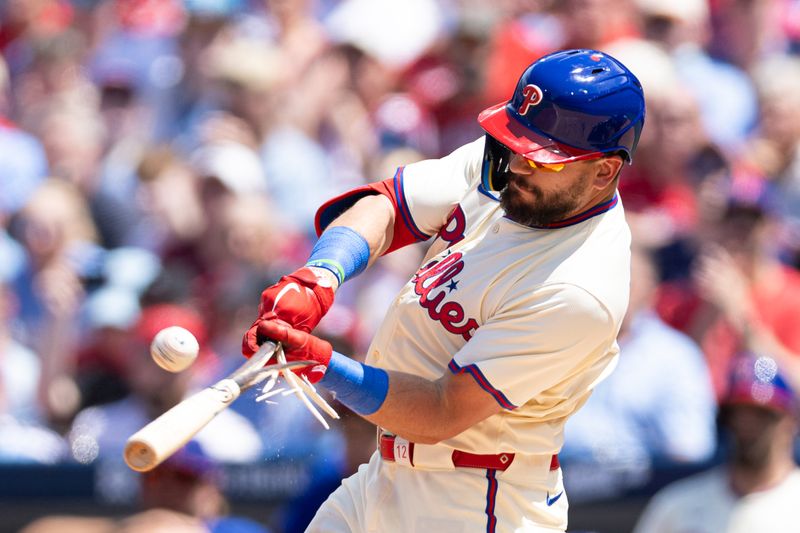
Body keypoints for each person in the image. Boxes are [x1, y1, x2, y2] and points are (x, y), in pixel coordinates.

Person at [242, 48, 645, 532]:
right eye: (515, 143)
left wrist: (324, 366)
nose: (517, 166)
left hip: (474, 501)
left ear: (604, 170)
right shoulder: (513, 164)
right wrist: (321, 276)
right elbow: (389, 205)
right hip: (384, 474)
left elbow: (440, 410)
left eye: (545, 161)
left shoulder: (580, 287)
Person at [633, 353, 800, 533]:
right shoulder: (678, 504)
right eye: (737, 414)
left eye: (761, 415)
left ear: (790, 421)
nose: (747, 424)